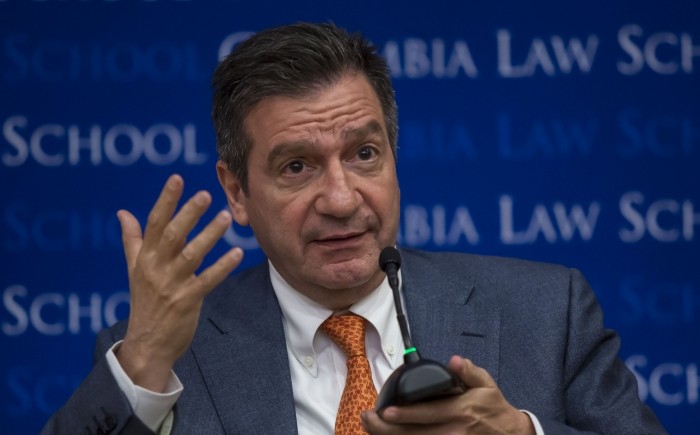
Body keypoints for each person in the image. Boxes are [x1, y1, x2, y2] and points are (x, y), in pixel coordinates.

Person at [41, 22, 665, 435]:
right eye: (296, 166)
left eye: (364, 154)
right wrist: (147, 360)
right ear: (237, 192)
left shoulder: (545, 311)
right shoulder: (164, 352)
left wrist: (521, 434)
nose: (341, 199)